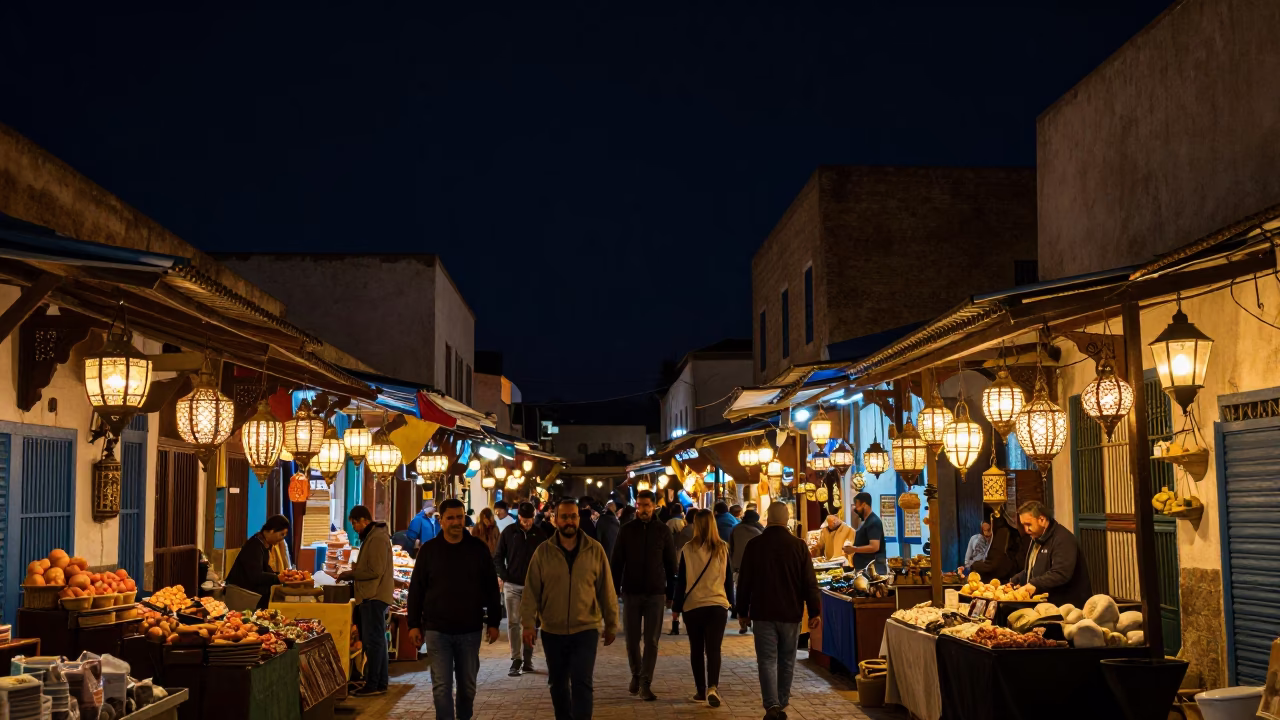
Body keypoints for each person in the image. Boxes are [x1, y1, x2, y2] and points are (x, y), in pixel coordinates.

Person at [521, 498, 618, 720]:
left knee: (582, 682)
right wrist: (528, 623)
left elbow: (606, 589)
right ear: (555, 519)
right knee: (558, 683)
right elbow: (531, 591)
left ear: (578, 518)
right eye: (564, 516)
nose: (569, 521)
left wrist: (612, 622)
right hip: (553, 630)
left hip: (586, 628)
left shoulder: (595, 550)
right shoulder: (543, 552)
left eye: (573, 516)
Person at [406, 498, 502, 720]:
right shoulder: (429, 551)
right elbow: (416, 590)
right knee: (441, 687)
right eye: (451, 518)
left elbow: (490, 587)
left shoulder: (478, 549)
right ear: (441, 521)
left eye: (460, 517)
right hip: (437, 630)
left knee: (467, 687)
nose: (456, 522)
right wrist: (413, 625)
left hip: (469, 629)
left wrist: (494, 621)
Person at [737, 503, 822, 720]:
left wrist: (742, 612)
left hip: (762, 612)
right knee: (787, 660)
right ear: (786, 520)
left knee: (766, 659)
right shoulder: (799, 546)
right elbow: (809, 583)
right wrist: (814, 612)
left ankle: (771, 705)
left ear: (768, 518)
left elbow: (744, 582)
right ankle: (782, 702)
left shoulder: (754, 545)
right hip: (791, 612)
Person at [611, 489, 677, 701]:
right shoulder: (627, 530)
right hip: (631, 591)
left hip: (655, 592)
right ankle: (636, 675)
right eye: (640, 505)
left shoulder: (662, 531)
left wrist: (671, 594)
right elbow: (617, 561)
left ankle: (646, 682)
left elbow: (670, 564)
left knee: (652, 640)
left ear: (654, 506)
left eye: (647, 505)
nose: (643, 509)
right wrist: (613, 589)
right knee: (631, 639)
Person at [673, 509, 731, 708]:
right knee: (714, 649)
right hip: (717, 605)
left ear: (696, 525)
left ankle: (700, 690)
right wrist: (734, 606)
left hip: (694, 605)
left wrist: (675, 606)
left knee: (697, 649)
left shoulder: (687, 549)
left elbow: (681, 581)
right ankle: (712, 687)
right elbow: (728, 581)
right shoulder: (723, 548)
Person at [338, 505, 393, 697]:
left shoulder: (376, 537)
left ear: (364, 520)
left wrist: (352, 574)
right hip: (372, 595)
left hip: (374, 596)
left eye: (354, 523)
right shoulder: (372, 536)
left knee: (373, 642)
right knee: (377, 642)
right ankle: (380, 683)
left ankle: (373, 685)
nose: (354, 527)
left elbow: (375, 570)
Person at [494, 502, 547, 676]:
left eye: (530, 520)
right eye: (524, 520)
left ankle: (528, 659)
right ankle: (516, 659)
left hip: (533, 586)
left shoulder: (539, 534)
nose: (527, 523)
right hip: (512, 584)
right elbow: (498, 556)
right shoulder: (509, 533)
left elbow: (546, 558)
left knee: (531, 623)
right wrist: (504, 574)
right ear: (519, 518)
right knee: (513, 622)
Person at [1009, 501, 1092, 606]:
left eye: (1028, 524)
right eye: (1023, 525)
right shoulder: (1036, 538)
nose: (1026, 529)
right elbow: (1033, 569)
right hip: (1045, 604)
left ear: (1042, 520)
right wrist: (1016, 580)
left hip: (1066, 607)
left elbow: (1061, 573)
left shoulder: (1063, 539)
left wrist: (1035, 584)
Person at [226, 515, 289, 609]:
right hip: (242, 595)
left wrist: (282, 575)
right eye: (282, 534)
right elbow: (255, 576)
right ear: (272, 530)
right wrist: (277, 578)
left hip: (250, 594)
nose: (282, 539)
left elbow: (266, 569)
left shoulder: (263, 544)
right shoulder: (254, 546)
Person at [729, 509, 764, 632]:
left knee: (741, 593)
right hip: (757, 568)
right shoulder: (760, 530)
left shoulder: (735, 529)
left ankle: (742, 622)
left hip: (739, 566)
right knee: (755, 594)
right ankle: (754, 619)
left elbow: (731, 548)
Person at [848, 493, 888, 575]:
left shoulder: (873, 522)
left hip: (872, 570)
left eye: (857, 506)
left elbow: (874, 547)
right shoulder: (865, 522)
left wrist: (853, 549)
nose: (855, 509)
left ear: (864, 505)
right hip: (864, 568)